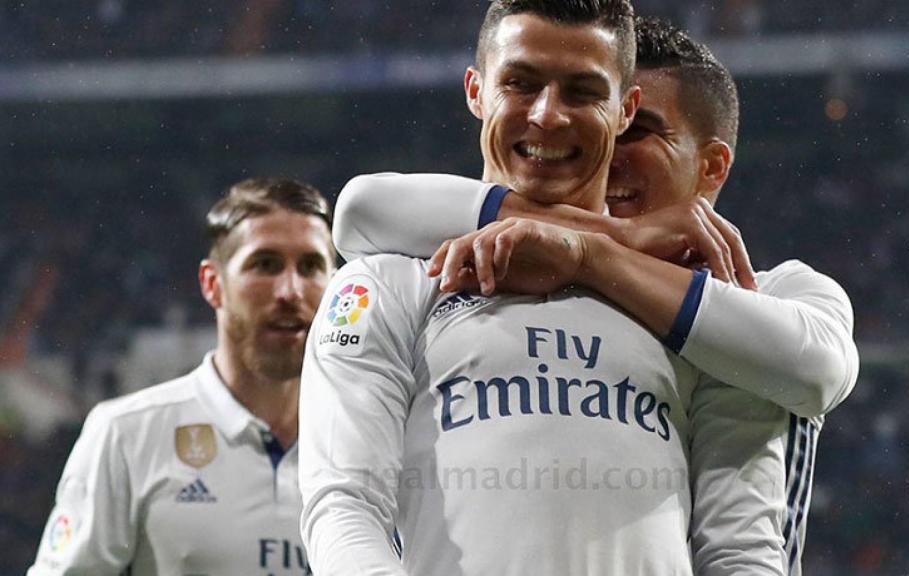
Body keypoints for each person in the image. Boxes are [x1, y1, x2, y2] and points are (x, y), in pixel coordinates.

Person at [327, 17, 858, 576]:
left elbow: (742, 542)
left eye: (638, 131)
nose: (607, 154)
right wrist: (607, 238)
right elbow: (362, 207)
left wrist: (593, 252)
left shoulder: (753, 299)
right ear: (476, 93)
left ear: (712, 165)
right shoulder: (421, 275)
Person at [298, 2, 714, 574]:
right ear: (476, 91)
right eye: (520, 83)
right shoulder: (389, 282)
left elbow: (736, 533)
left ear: (625, 110)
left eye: (581, 92)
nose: (547, 116)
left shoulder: (678, 299)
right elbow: (344, 504)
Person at [29, 178, 336, 575]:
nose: (290, 290)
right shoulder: (127, 435)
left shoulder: (369, 442)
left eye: (311, 266)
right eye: (266, 264)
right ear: (213, 284)